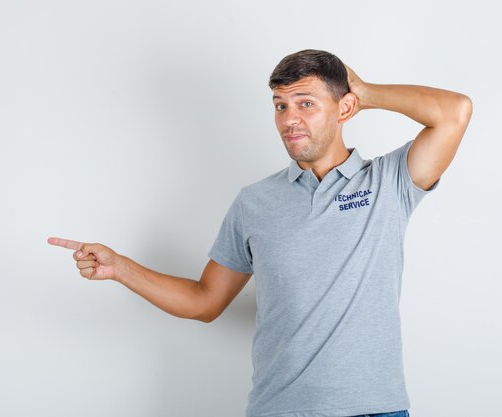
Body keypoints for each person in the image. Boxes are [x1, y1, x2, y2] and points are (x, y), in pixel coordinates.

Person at [47, 49, 472, 417]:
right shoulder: (254, 203)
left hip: (373, 408)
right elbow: (206, 300)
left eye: (306, 103)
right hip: (278, 408)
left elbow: (455, 112)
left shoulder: (388, 182)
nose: (290, 119)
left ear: (344, 109)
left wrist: (366, 92)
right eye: (280, 106)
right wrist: (121, 268)